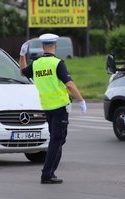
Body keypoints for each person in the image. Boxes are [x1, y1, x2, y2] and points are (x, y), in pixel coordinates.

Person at [19, 33, 87, 184]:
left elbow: (22, 72)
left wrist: (22, 55)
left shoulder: (37, 64)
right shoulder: (57, 63)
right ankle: (47, 174)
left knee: (58, 139)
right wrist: (81, 100)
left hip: (47, 108)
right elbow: (69, 84)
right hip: (60, 108)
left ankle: (50, 172)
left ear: (43, 47)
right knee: (56, 141)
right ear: (55, 46)